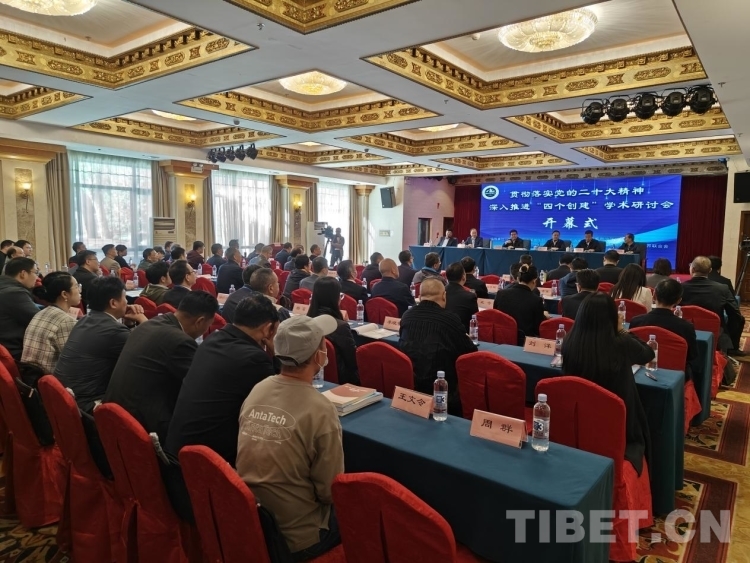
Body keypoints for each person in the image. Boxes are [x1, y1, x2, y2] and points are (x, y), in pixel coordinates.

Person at [236, 315, 342, 560]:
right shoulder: (321, 409)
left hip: (252, 518)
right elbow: (329, 492)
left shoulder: (259, 388)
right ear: (318, 356)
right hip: (298, 538)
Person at [167, 294, 281, 466]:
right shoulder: (254, 359)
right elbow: (278, 401)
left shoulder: (212, 339)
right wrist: (276, 354)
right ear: (268, 329)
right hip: (209, 464)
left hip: (178, 451)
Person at [104, 291, 218, 442]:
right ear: (200, 321)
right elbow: (200, 387)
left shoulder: (151, 323)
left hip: (114, 415)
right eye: (208, 326)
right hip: (141, 426)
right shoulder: (180, 341)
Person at [562, 293, 653, 475]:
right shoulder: (620, 343)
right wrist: (621, 330)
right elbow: (648, 353)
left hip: (580, 418)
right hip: (618, 422)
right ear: (611, 318)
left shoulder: (569, 341)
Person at [54, 277, 148, 413]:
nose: (127, 302)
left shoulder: (85, 320)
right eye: (124, 298)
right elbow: (150, 351)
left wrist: (129, 324)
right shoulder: (115, 331)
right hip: (88, 407)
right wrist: (143, 320)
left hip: (66, 400)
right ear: (113, 303)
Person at [399, 278, 476, 416]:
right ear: (444, 296)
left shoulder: (407, 316)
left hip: (411, 386)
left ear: (420, 296)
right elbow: (470, 352)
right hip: (442, 391)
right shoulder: (450, 319)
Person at [630, 278, 700, 381]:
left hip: (638, 373)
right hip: (676, 377)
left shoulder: (636, 322)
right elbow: (692, 355)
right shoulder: (686, 327)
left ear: (654, 296)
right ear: (678, 301)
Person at [681, 256, 744, 355]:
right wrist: (727, 334)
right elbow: (735, 314)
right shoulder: (722, 289)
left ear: (692, 269)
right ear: (710, 270)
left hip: (684, 333)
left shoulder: (680, 288)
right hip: (716, 334)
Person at [21, 272, 80, 375]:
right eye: (76, 286)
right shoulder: (66, 321)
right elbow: (73, 361)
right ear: (64, 294)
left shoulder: (41, 313)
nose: (80, 290)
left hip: (32, 377)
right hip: (51, 379)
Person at [308, 277, 359, 384]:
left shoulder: (307, 321)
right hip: (341, 380)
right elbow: (352, 361)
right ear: (335, 298)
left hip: (312, 375)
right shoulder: (340, 326)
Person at [493, 264, 547, 339]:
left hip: (501, 337)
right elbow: (537, 329)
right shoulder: (536, 300)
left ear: (518, 279)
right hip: (523, 341)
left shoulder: (501, 293)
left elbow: (495, 316)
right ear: (534, 281)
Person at [0, 257, 39, 360]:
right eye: (35, 272)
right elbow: (40, 320)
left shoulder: (4, 286)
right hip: (14, 352)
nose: (37, 277)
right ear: (23, 273)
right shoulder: (14, 293)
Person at [444, 262, 478, 331]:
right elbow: (474, 320)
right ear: (463, 277)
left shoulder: (440, 292)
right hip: (462, 333)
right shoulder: (470, 297)